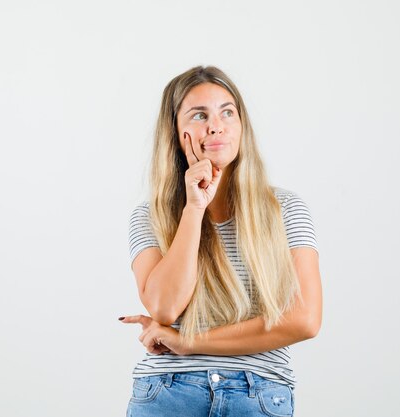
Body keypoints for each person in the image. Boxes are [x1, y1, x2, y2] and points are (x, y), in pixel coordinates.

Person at [119, 65, 322, 417]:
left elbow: (305, 320)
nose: (215, 125)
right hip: (169, 392)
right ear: (175, 132)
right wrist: (194, 209)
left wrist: (189, 342)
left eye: (227, 112)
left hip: (257, 392)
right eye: (199, 115)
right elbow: (165, 308)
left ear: (241, 126)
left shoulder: (285, 209)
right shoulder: (149, 217)